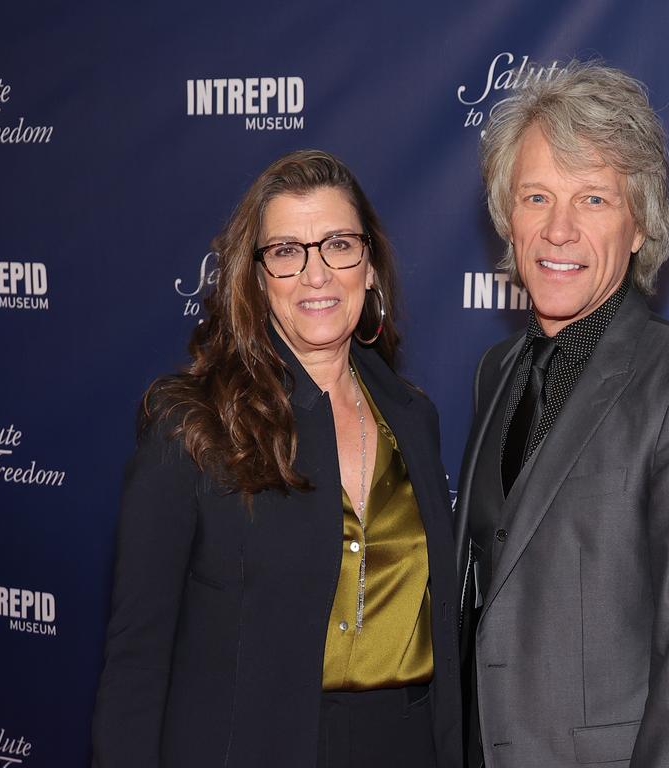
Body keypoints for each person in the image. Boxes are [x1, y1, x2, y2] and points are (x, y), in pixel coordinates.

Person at [93, 150, 461, 768]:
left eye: (338, 245)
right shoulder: (193, 427)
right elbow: (138, 658)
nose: (316, 274)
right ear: (257, 280)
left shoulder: (413, 418)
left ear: (369, 268)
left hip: (407, 743)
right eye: (287, 252)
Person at [454, 61, 669, 768]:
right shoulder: (494, 373)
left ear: (639, 227)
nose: (559, 229)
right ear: (509, 218)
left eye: (593, 200)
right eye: (536, 197)